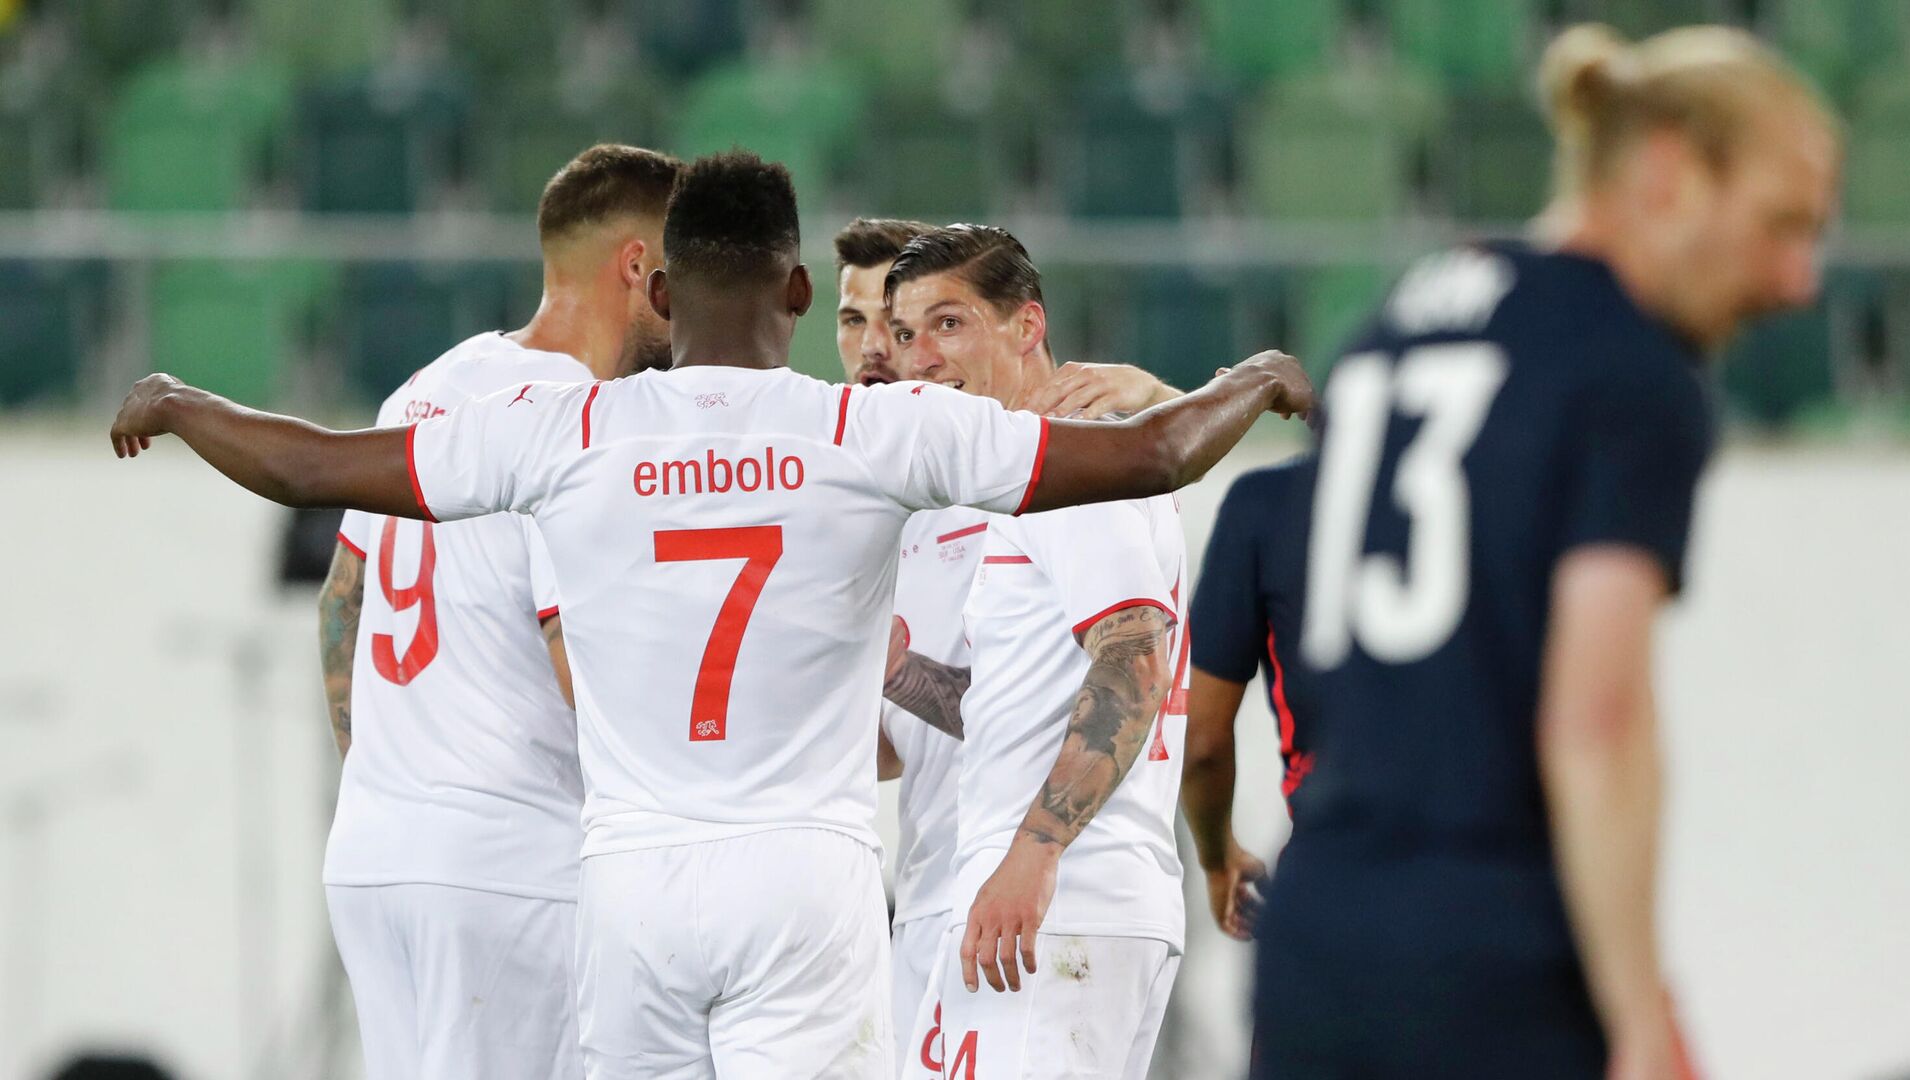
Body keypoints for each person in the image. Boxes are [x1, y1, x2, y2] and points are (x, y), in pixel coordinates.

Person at [109, 151, 1316, 1080]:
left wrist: (183, 401)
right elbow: (1154, 457)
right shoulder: (866, 429)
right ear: (798, 290)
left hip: (632, 878)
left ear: (665, 287)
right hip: (803, 875)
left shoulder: (570, 430)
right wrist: (1248, 379)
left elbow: (315, 471)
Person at [1255, 24, 1837, 1080]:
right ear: (1669, 172)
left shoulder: (1394, 321)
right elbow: (1597, 721)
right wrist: (1638, 1018)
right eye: (1781, 225)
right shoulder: (1630, 371)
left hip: (1317, 941)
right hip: (1492, 955)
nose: (1799, 280)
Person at [316, 143, 682, 1080]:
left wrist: (387, 776)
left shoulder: (428, 387)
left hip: (376, 856)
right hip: (509, 865)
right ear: (640, 268)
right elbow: (579, 662)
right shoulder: (583, 424)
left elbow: (341, 603)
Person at [830, 216, 1185, 1073]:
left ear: (1028, 325)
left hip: (1059, 901)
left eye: (948, 325)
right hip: (1051, 899)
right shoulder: (1018, 471)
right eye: (906, 333)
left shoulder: (1075, 461)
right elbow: (1015, 704)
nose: (918, 358)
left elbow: (1135, 655)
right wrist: (899, 675)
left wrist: (1033, 856)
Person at [1181, 452, 1317, 943]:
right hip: (1509, 882)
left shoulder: (1269, 502)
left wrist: (1218, 859)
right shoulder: (1527, 486)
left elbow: (1200, 740)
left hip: (1336, 881)